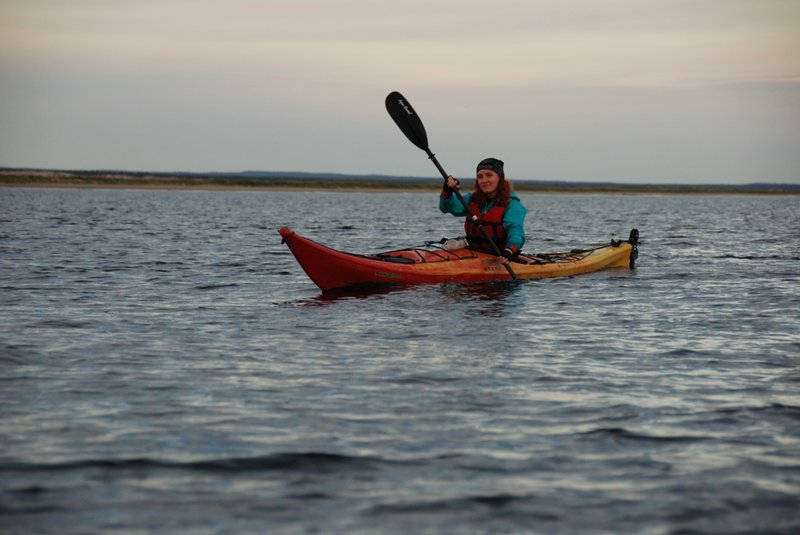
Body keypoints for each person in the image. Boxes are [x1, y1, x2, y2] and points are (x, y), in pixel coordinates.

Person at [439, 157, 527, 261]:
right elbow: (447, 208)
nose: (484, 180)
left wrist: (509, 251)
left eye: (489, 175)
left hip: (500, 255)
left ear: (500, 178)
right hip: (473, 251)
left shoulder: (512, 205)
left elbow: (516, 233)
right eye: (480, 177)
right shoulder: (471, 199)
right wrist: (447, 191)